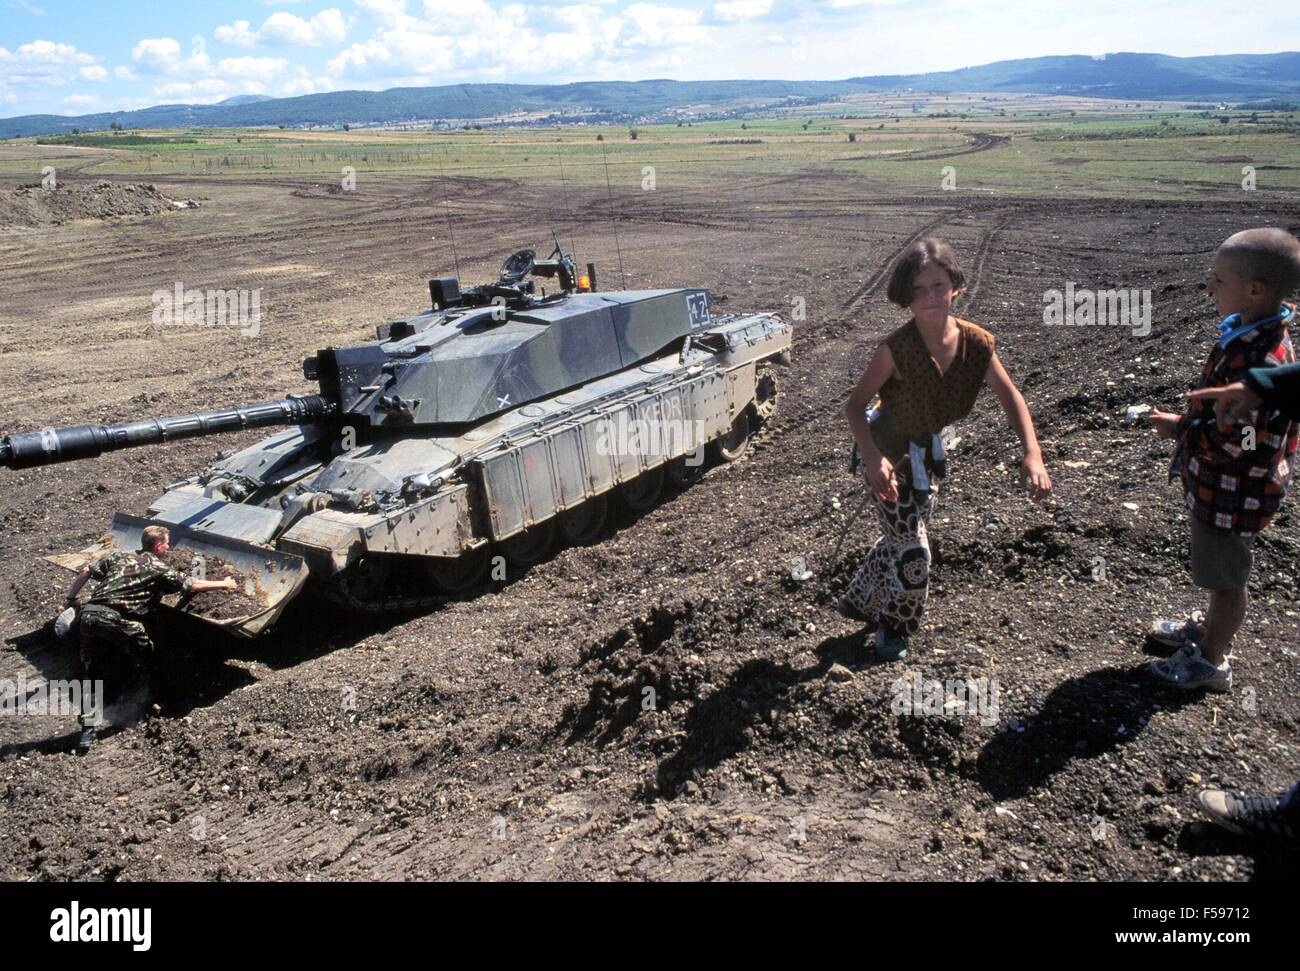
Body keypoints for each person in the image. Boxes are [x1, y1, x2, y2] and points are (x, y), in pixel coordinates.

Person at [840, 237, 1052, 660]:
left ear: (955, 285)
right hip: (888, 456)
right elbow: (854, 406)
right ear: (906, 297)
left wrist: (1033, 454)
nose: (929, 298)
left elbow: (1011, 396)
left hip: (929, 457)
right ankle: (894, 625)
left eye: (937, 286)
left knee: (904, 536)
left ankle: (860, 598)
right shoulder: (894, 350)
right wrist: (872, 459)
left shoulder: (977, 344)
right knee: (915, 551)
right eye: (918, 290)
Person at [1146, 228, 1300, 692]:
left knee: (1228, 579)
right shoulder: (1250, 334)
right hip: (1225, 488)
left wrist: (1179, 428)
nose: (1208, 288)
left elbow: (1244, 444)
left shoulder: (1262, 358)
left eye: (1217, 280)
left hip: (1235, 493)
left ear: (1255, 290)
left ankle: (1212, 661)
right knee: (1218, 571)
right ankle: (1209, 629)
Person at [65, 524, 237, 748]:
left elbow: (87, 571)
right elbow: (192, 584)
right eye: (167, 543)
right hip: (117, 619)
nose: (169, 546)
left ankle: (86, 733)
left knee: (90, 674)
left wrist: (70, 600)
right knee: (150, 654)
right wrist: (224, 583)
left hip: (89, 616)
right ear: (157, 546)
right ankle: (159, 699)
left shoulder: (119, 556)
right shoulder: (155, 565)